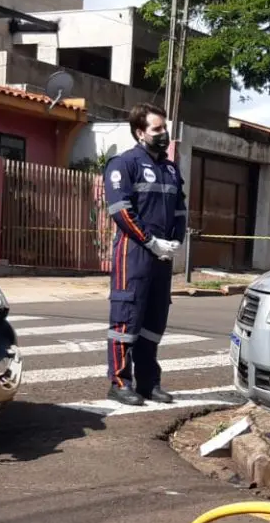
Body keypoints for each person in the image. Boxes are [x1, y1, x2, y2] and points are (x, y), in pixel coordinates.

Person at [103, 102, 186, 406]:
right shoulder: (124, 164)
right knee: (127, 318)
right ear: (140, 132)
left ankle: (149, 383)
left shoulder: (170, 169)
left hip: (163, 257)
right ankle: (120, 382)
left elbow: (179, 209)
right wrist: (150, 241)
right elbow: (121, 211)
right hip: (134, 254)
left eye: (164, 127)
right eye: (157, 129)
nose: (164, 133)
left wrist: (175, 241)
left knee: (154, 321)